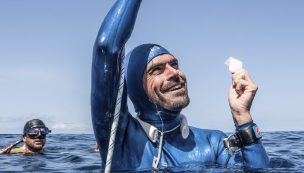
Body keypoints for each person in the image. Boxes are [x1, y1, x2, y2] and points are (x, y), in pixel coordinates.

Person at [91, 0, 269, 172]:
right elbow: (107, 47)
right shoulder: (120, 141)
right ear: (137, 88)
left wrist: (242, 116)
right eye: (156, 70)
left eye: (174, 65)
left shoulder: (213, 143)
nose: (174, 73)